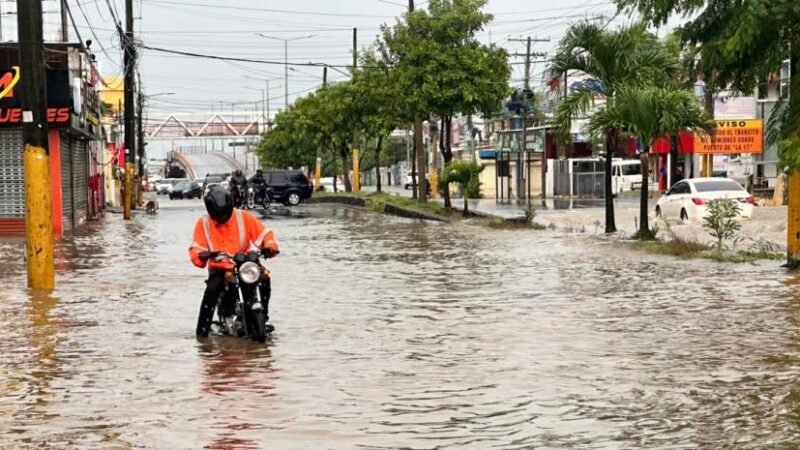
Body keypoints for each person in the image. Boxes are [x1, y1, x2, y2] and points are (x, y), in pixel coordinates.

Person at [188, 188, 279, 338]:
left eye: (225, 213)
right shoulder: (203, 223)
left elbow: (264, 234)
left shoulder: (243, 217)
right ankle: (202, 332)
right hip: (220, 267)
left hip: (245, 263)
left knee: (264, 279)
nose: (223, 217)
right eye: (219, 214)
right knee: (211, 290)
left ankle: (264, 316)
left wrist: (269, 247)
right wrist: (205, 254)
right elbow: (196, 248)